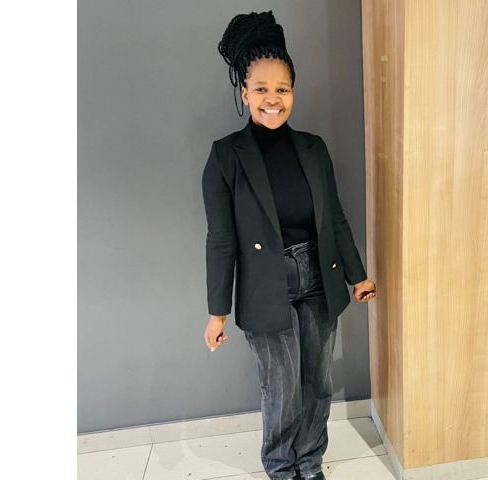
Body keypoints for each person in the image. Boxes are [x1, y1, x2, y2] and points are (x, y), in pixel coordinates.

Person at [202, 11, 376, 480]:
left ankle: (309, 462)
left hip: (319, 276)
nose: (272, 99)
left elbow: (334, 218)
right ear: (244, 93)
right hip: (266, 284)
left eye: (282, 89)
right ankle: (281, 468)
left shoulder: (314, 149)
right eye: (261, 88)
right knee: (282, 387)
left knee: (318, 381)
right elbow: (220, 239)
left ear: (293, 93)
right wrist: (217, 312)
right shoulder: (225, 156)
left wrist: (358, 276)